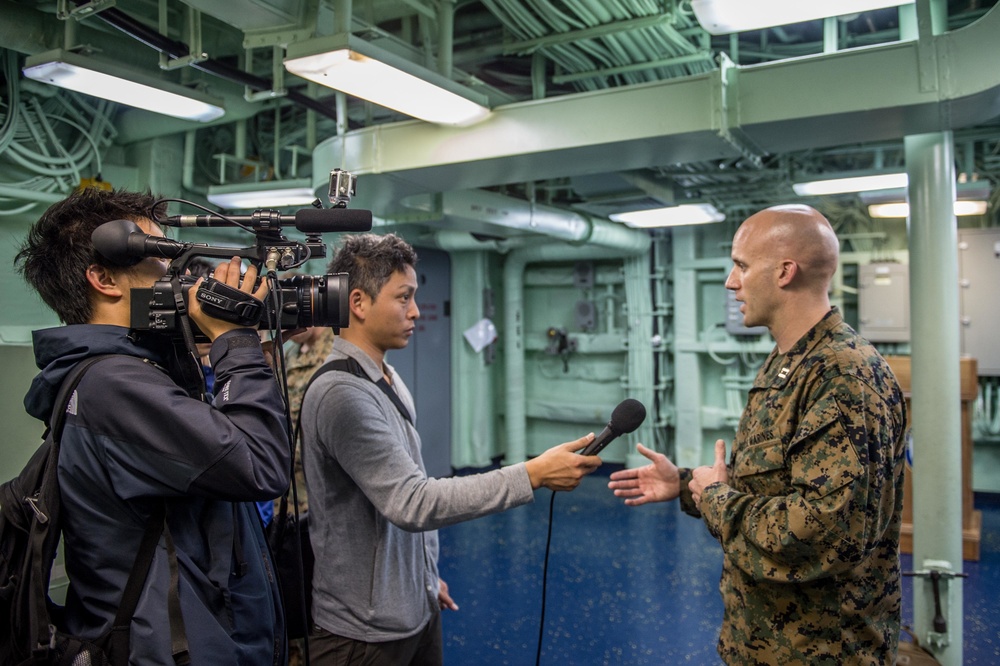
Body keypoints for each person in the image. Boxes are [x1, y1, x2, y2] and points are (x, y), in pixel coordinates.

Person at [608, 204, 907, 665]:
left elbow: (824, 533)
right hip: (764, 641)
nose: (731, 282)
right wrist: (688, 484)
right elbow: (770, 484)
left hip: (824, 651)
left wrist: (715, 500)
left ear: (786, 271)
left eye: (742, 266)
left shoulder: (845, 378)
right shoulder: (788, 361)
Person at [14, 188, 291, 664]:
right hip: (168, 649)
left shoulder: (133, 372)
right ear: (103, 279)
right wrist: (237, 341)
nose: (179, 275)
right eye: (161, 259)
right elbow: (260, 466)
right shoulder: (114, 385)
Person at [301, 233, 602, 665]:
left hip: (416, 609)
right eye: (403, 298)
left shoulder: (386, 378)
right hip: (363, 636)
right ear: (359, 303)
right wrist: (530, 474)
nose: (416, 311)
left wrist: (424, 579)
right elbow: (412, 502)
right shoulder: (342, 395)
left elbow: (402, 486)